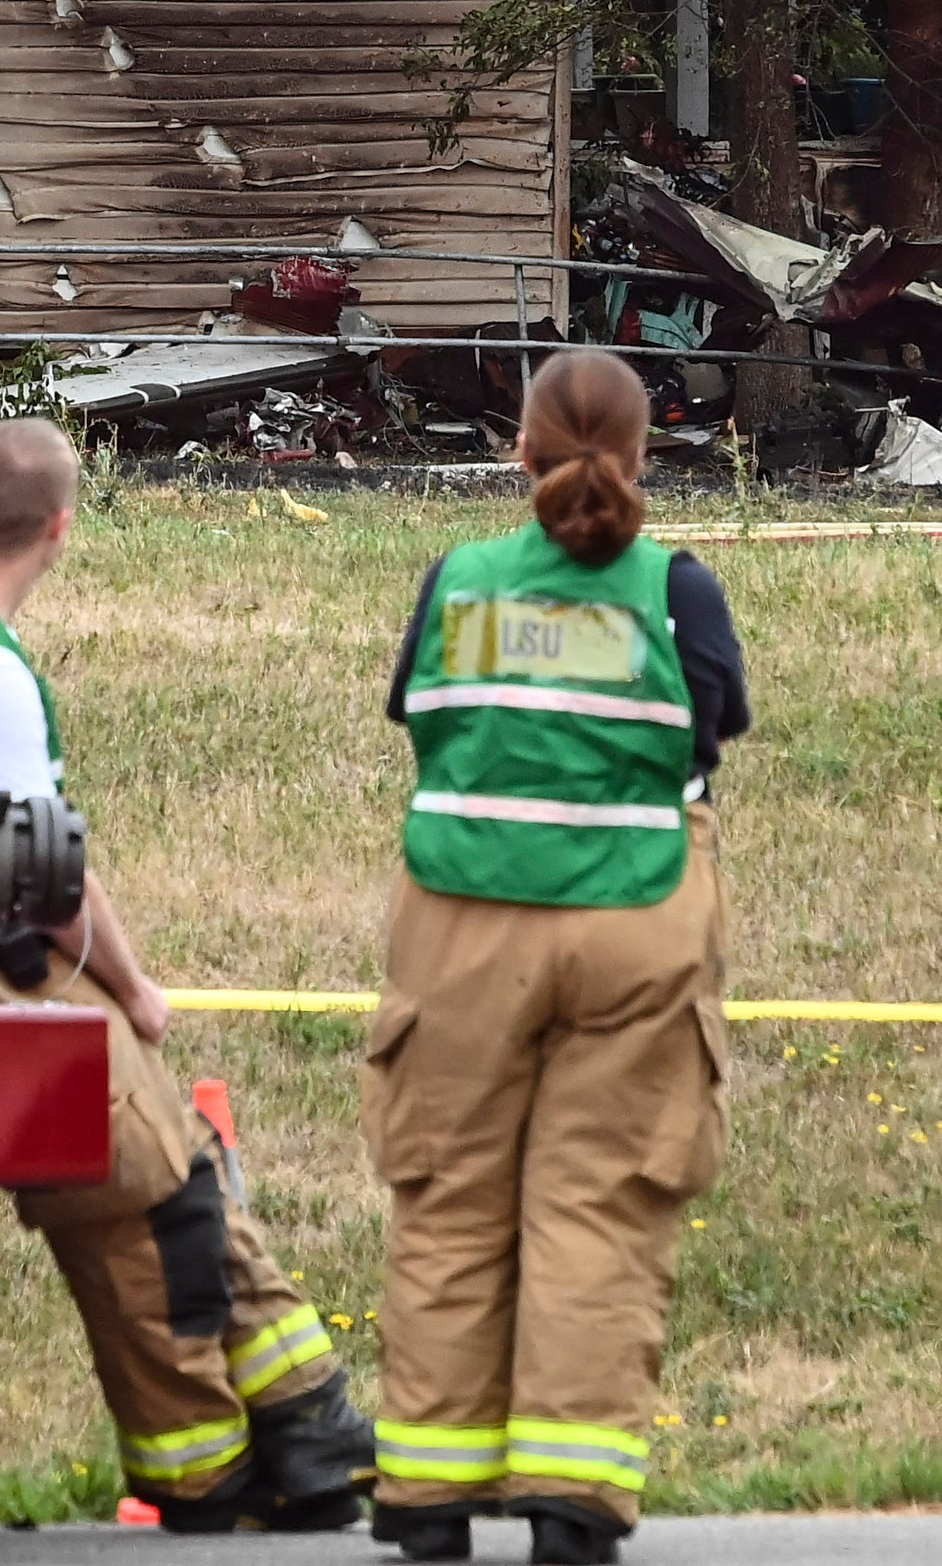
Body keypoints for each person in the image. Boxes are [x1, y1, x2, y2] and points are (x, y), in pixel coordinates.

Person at [0, 417, 373, 1533]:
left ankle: (312, 1432)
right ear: (62, 529)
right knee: (147, 1178)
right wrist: (138, 989)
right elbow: (51, 880)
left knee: (174, 1161)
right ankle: (218, 1468)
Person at [365, 349, 751, 1566]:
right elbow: (714, 728)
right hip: (638, 919)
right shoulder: (677, 590)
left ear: (519, 450)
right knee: (602, 1202)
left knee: (449, 1200)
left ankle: (428, 1500)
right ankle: (572, 1505)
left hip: (462, 922)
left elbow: (416, 711)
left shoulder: (458, 580)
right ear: (643, 456)